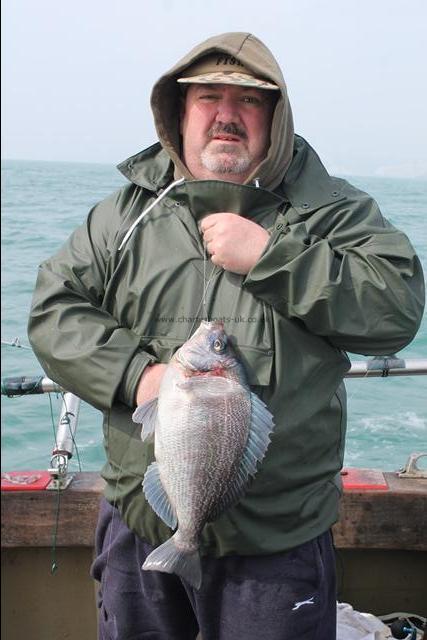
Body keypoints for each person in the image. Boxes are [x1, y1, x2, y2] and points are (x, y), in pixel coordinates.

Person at [27, 32, 424, 640]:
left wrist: (274, 256)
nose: (226, 116)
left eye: (249, 101)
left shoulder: (333, 211)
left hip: (278, 539)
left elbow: (396, 310)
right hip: (142, 523)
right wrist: (141, 377)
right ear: (179, 112)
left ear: (276, 117)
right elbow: (56, 309)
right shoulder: (125, 213)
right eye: (208, 97)